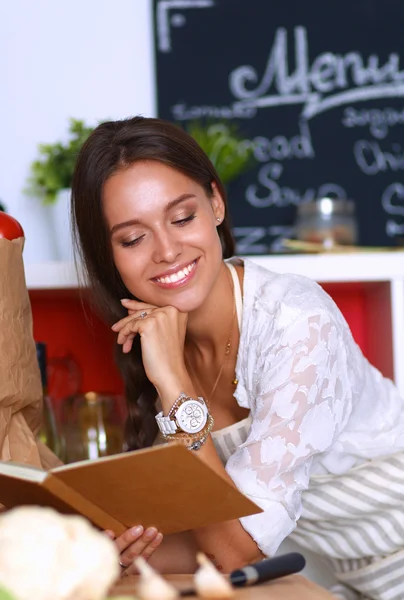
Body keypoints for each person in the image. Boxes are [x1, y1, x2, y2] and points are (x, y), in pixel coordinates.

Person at [71, 116, 404, 600]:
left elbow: (234, 552)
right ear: (110, 255)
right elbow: (221, 536)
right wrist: (108, 548)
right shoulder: (161, 337)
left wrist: (174, 384)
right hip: (318, 578)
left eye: (182, 217)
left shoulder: (297, 323)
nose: (166, 250)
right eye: (133, 238)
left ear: (216, 203)